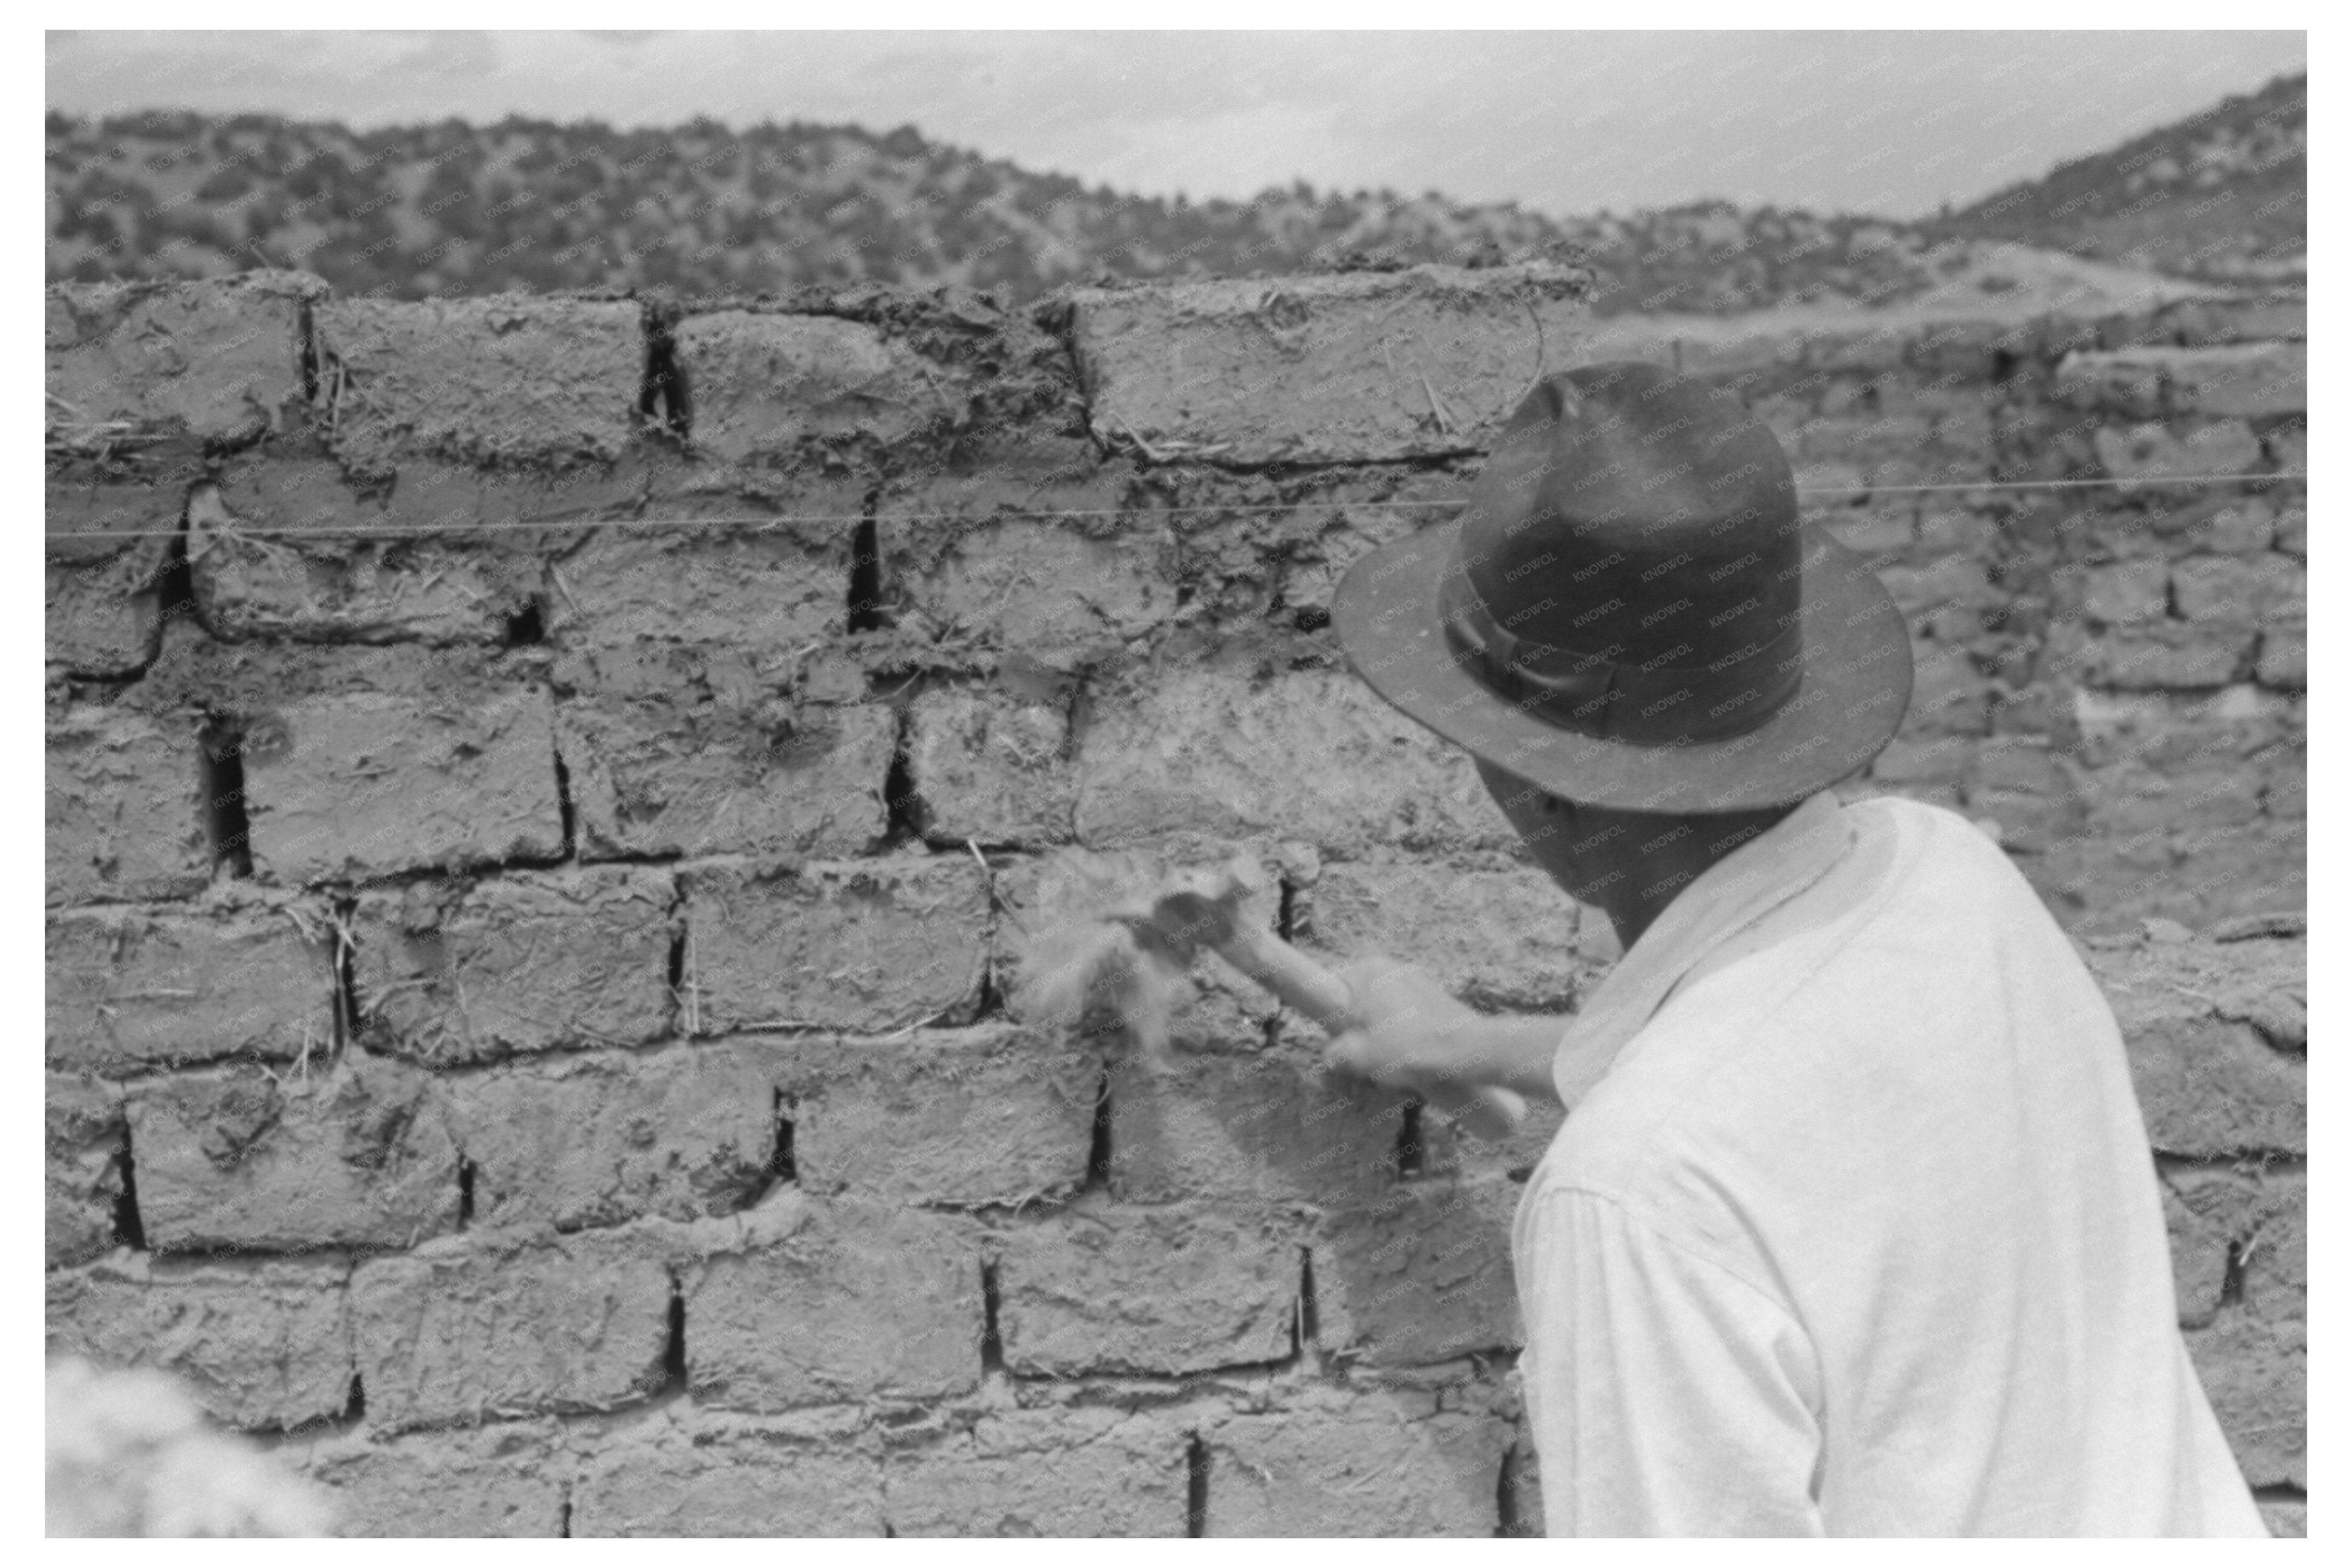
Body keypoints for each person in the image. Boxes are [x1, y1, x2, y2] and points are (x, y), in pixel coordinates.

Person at [1322, 361, 2266, 1536]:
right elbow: (1785, 1088)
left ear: (1524, 788)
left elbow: (1718, 1121)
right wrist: (1461, 1043)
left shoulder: (1632, 1200)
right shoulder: (1954, 878)